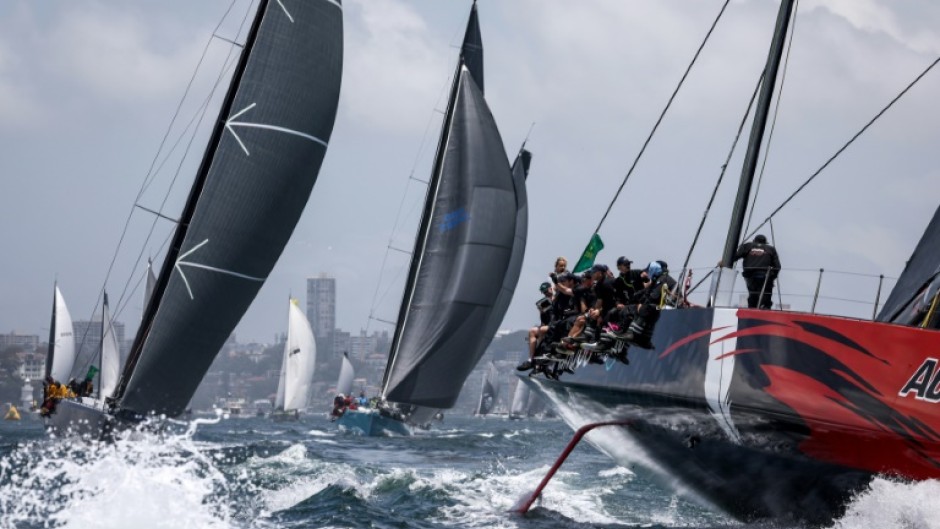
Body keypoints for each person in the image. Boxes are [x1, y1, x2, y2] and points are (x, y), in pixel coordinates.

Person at [730, 234, 781, 309]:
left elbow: (735, 257)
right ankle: (765, 307)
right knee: (766, 295)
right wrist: (772, 277)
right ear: (765, 242)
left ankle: (752, 308)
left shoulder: (747, 246)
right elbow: (777, 266)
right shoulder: (771, 249)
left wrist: (724, 262)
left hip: (750, 275)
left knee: (753, 294)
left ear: (754, 241)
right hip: (765, 276)